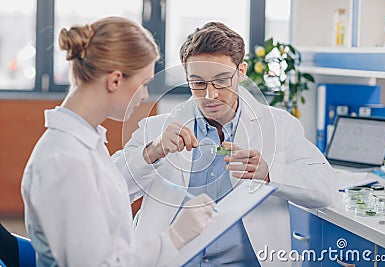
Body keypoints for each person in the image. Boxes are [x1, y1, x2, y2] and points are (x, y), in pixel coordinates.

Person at [113, 22, 338, 266]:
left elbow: (326, 189)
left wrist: (269, 173)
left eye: (221, 80)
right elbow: (110, 191)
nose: (210, 95)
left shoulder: (279, 126)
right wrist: (152, 152)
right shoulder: (156, 129)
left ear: (241, 72)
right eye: (198, 83)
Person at [20, 17, 216, 267]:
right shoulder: (65, 159)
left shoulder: (85, 144)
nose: (145, 96)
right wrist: (175, 237)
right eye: (144, 84)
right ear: (114, 80)